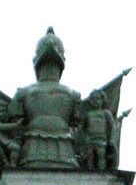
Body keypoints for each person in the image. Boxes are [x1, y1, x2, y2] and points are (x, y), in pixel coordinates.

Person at [9, 27, 82, 169]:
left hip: (67, 152)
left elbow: (79, 131)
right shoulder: (23, 93)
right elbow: (16, 129)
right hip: (31, 151)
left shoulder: (74, 96)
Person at [79, 89, 116, 170]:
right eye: (93, 99)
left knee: (101, 155)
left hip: (101, 138)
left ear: (102, 100)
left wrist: (111, 139)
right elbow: (81, 127)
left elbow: (112, 126)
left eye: (97, 99)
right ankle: (90, 171)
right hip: (89, 139)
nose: (95, 101)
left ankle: (101, 171)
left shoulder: (106, 113)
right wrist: (82, 139)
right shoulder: (88, 114)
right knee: (90, 156)